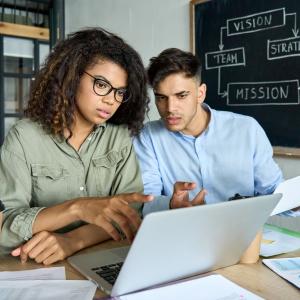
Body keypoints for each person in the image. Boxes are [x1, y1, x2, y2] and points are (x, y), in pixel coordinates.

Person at [0, 27, 153, 265]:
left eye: (120, 92)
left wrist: (72, 241)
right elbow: (5, 227)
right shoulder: (24, 137)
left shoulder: (118, 137)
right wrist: (76, 208)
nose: (111, 99)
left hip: (102, 258)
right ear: (72, 76)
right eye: (101, 84)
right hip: (34, 266)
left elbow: (129, 216)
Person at [133, 48, 283, 216]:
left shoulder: (247, 129)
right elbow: (145, 202)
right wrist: (170, 204)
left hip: (242, 235)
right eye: (161, 97)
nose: (170, 108)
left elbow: (274, 192)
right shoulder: (148, 137)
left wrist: (294, 202)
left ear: (200, 93)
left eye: (181, 96)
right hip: (183, 234)